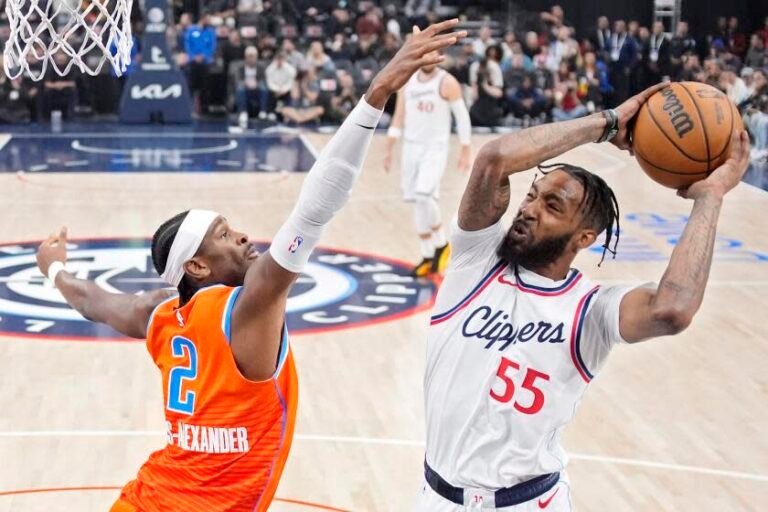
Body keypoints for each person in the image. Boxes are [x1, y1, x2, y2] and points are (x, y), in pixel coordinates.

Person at [34, 19, 466, 512]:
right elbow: (317, 204)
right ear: (197, 266)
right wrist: (378, 91)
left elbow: (93, 301)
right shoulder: (247, 306)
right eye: (223, 234)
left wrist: (53, 269)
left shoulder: (158, 313)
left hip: (143, 499)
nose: (241, 235)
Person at [412, 81, 751, 511]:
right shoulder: (475, 262)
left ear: (584, 237)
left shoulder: (591, 309)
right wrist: (605, 123)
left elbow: (673, 310)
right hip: (435, 498)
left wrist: (710, 197)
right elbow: (494, 160)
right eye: (532, 196)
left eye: (553, 207)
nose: (530, 209)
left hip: (528, 503)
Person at [384, 26, 472, 277]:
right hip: (410, 147)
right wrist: (390, 147)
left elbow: (462, 117)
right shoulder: (408, 82)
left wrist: (466, 148)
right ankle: (427, 254)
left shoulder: (447, 82)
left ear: (439, 54)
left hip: (435, 147)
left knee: (424, 195)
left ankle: (442, 243)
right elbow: (399, 116)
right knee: (418, 202)